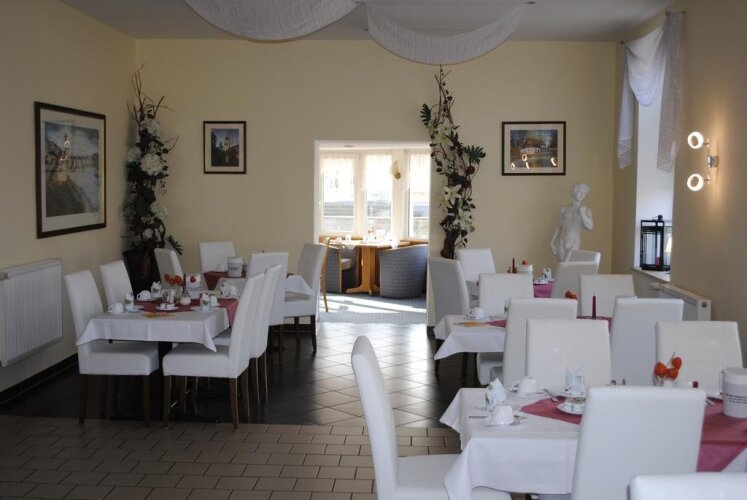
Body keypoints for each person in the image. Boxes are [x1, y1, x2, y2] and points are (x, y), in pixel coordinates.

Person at [550, 183, 593, 262]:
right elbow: (559, 226)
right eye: (580, 192)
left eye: (584, 193)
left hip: (574, 243)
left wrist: (583, 215)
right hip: (562, 242)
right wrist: (552, 242)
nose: (582, 195)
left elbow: (590, 227)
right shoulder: (564, 209)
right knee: (561, 266)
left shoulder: (585, 210)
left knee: (567, 266)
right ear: (573, 192)